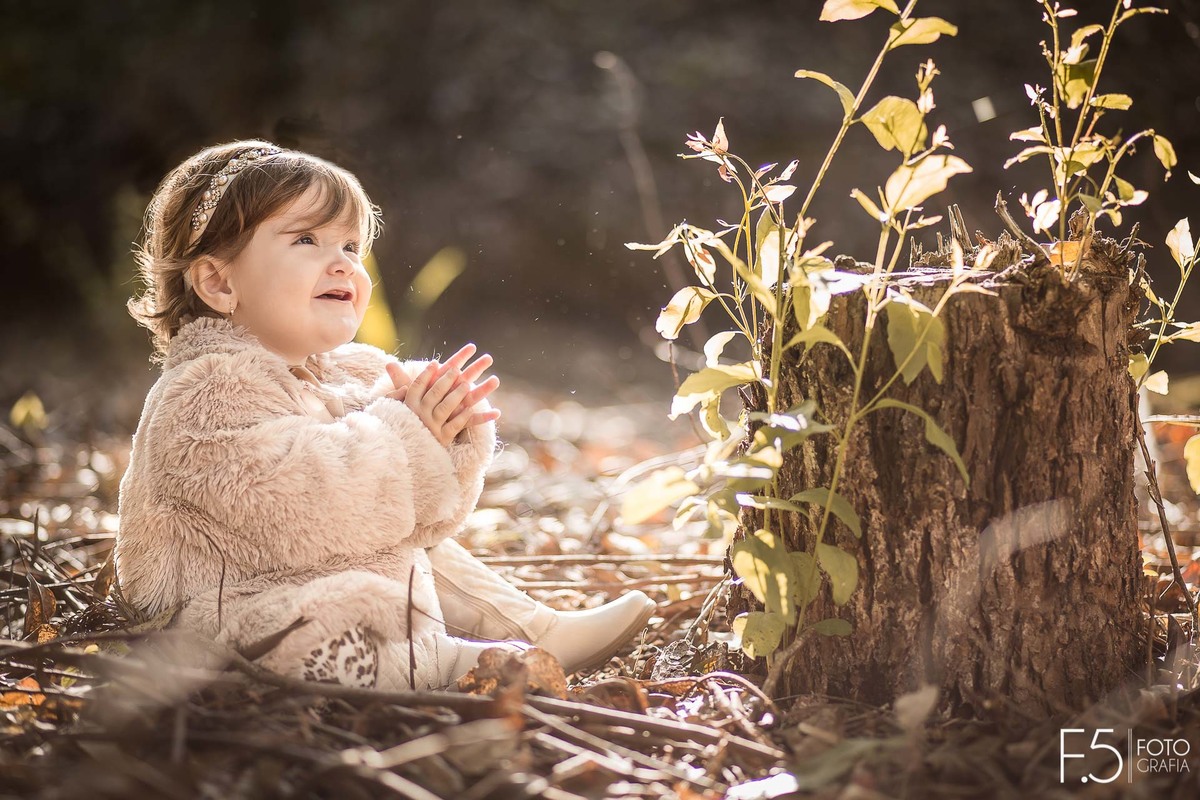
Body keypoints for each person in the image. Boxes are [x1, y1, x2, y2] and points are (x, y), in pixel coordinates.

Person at [114, 140, 657, 690]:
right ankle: (451, 662)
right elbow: (301, 507)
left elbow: (421, 515)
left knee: (423, 547)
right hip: (234, 612)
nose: (343, 263)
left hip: (335, 582)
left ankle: (532, 628)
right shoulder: (204, 391)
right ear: (219, 283)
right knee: (301, 639)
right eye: (306, 240)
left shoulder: (352, 371)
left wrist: (446, 430)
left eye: (351, 246)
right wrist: (404, 432)